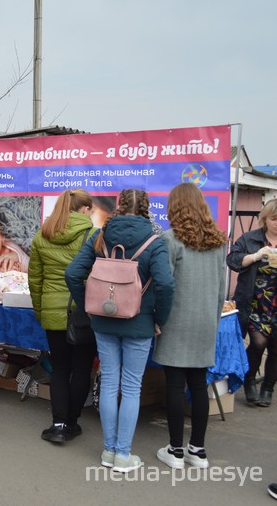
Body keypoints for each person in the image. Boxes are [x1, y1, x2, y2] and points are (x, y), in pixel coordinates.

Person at [65, 188, 175, 472]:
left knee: (110, 383)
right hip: (140, 322)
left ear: (119, 206)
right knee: (131, 387)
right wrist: (159, 319)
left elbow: (72, 274)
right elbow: (164, 284)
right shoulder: (156, 240)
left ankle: (109, 451)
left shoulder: (99, 235)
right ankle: (123, 454)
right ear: (146, 208)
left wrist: (88, 306)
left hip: (103, 321)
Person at [152, 182, 227, 469]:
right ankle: (198, 450)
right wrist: (213, 318)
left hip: (177, 320)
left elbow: (165, 286)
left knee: (174, 383)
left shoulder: (170, 240)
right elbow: (221, 290)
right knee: (198, 384)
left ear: (175, 207)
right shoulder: (218, 241)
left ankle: (175, 450)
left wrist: (158, 317)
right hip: (205, 321)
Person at [28, 188, 96, 444]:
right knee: (81, 369)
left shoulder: (42, 235)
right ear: (85, 209)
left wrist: (40, 309)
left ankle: (57, 425)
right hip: (83, 312)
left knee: (59, 368)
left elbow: (34, 279)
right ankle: (72, 422)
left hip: (52, 311)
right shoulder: (92, 234)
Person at [227, 198, 277, 406]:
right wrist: (256, 256)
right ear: (265, 219)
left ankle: (268, 387)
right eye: (274, 219)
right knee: (258, 342)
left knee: (276, 347)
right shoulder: (250, 239)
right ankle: (249, 380)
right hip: (255, 301)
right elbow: (233, 260)